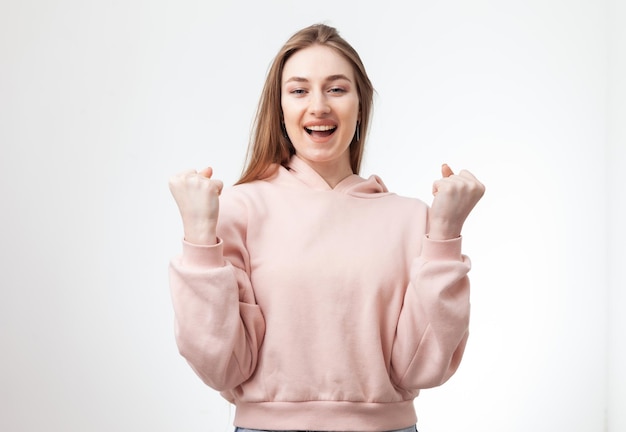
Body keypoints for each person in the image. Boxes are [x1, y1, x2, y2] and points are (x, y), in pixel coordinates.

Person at [168, 23, 485, 432]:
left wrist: (445, 235)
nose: (318, 106)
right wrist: (198, 237)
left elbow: (421, 368)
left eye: (336, 89)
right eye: (299, 91)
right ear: (280, 108)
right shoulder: (239, 208)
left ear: (360, 103)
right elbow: (220, 366)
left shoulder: (412, 219)